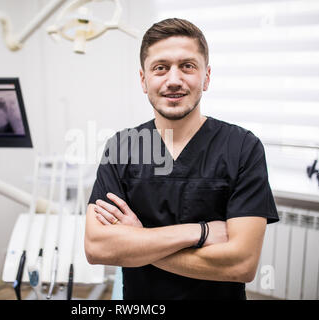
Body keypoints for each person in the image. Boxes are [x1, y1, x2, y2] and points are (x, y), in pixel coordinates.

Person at [84, 18, 279, 300]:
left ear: (207, 77)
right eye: (160, 68)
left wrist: (138, 242)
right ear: (144, 80)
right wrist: (198, 232)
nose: (173, 80)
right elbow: (97, 248)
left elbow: (242, 264)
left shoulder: (243, 147)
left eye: (187, 66)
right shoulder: (122, 147)